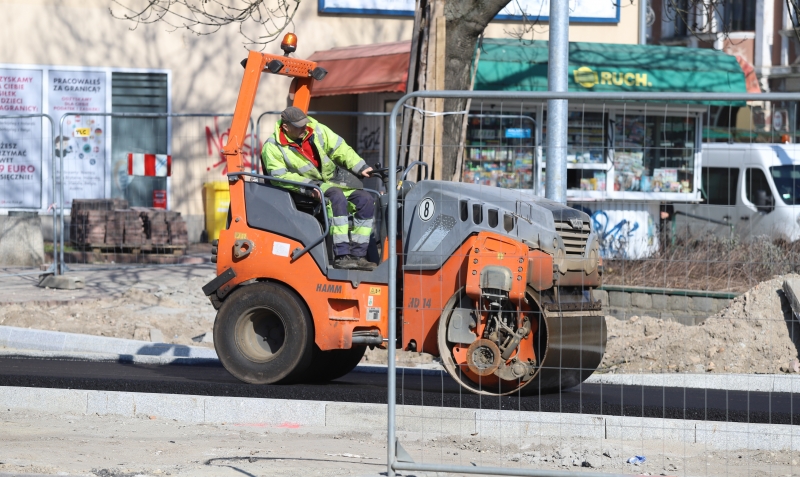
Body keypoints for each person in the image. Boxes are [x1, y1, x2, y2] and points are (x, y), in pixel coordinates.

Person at [261, 106, 377, 270]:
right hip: (302, 189)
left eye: (304, 124)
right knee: (336, 197)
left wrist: (361, 167)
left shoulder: (317, 130)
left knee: (365, 199)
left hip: (329, 183)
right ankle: (341, 256)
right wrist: (310, 187)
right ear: (285, 127)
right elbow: (280, 177)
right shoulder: (272, 147)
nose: (304, 128)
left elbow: (340, 149)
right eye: (298, 126)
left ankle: (359, 256)